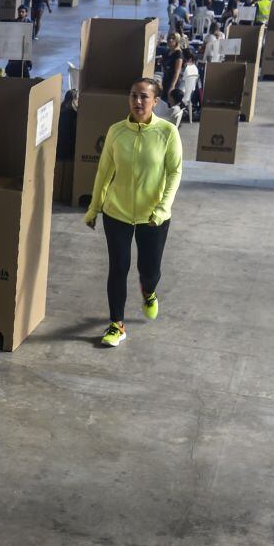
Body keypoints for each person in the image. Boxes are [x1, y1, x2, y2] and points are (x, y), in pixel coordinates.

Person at [84, 78, 183, 348]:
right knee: (118, 268)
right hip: (117, 213)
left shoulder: (167, 132)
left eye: (143, 97)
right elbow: (104, 172)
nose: (137, 102)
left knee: (149, 270)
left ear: (155, 101)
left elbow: (174, 172)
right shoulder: (116, 131)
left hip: (154, 216)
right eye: (133, 96)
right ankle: (116, 324)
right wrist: (95, 207)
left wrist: (163, 207)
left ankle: (148, 291)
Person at [160, 33, 183, 105]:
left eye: (173, 38)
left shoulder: (178, 53)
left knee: (169, 102)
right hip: (166, 79)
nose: (170, 40)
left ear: (177, 41)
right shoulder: (167, 51)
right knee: (163, 101)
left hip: (172, 81)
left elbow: (177, 71)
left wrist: (172, 85)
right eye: (169, 38)